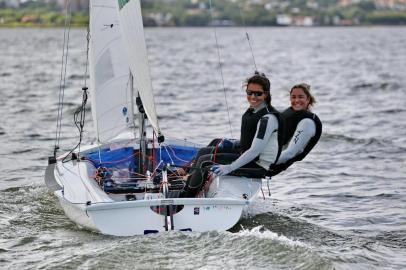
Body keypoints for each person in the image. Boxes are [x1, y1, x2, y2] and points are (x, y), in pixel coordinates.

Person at [180, 72, 283, 198]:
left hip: (258, 165)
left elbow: (255, 150)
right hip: (246, 155)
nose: (253, 96)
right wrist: (235, 143)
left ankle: (185, 199)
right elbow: (250, 138)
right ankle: (189, 180)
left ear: (266, 94)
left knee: (204, 161)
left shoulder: (268, 118)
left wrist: (229, 167)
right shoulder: (254, 109)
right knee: (206, 149)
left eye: (258, 93)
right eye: (249, 93)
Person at [268, 83, 322, 176]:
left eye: (300, 97)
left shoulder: (307, 123)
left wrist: (262, 162)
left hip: (270, 165)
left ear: (308, 99)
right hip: (262, 152)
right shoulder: (290, 113)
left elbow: (290, 153)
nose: (296, 100)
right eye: (293, 97)